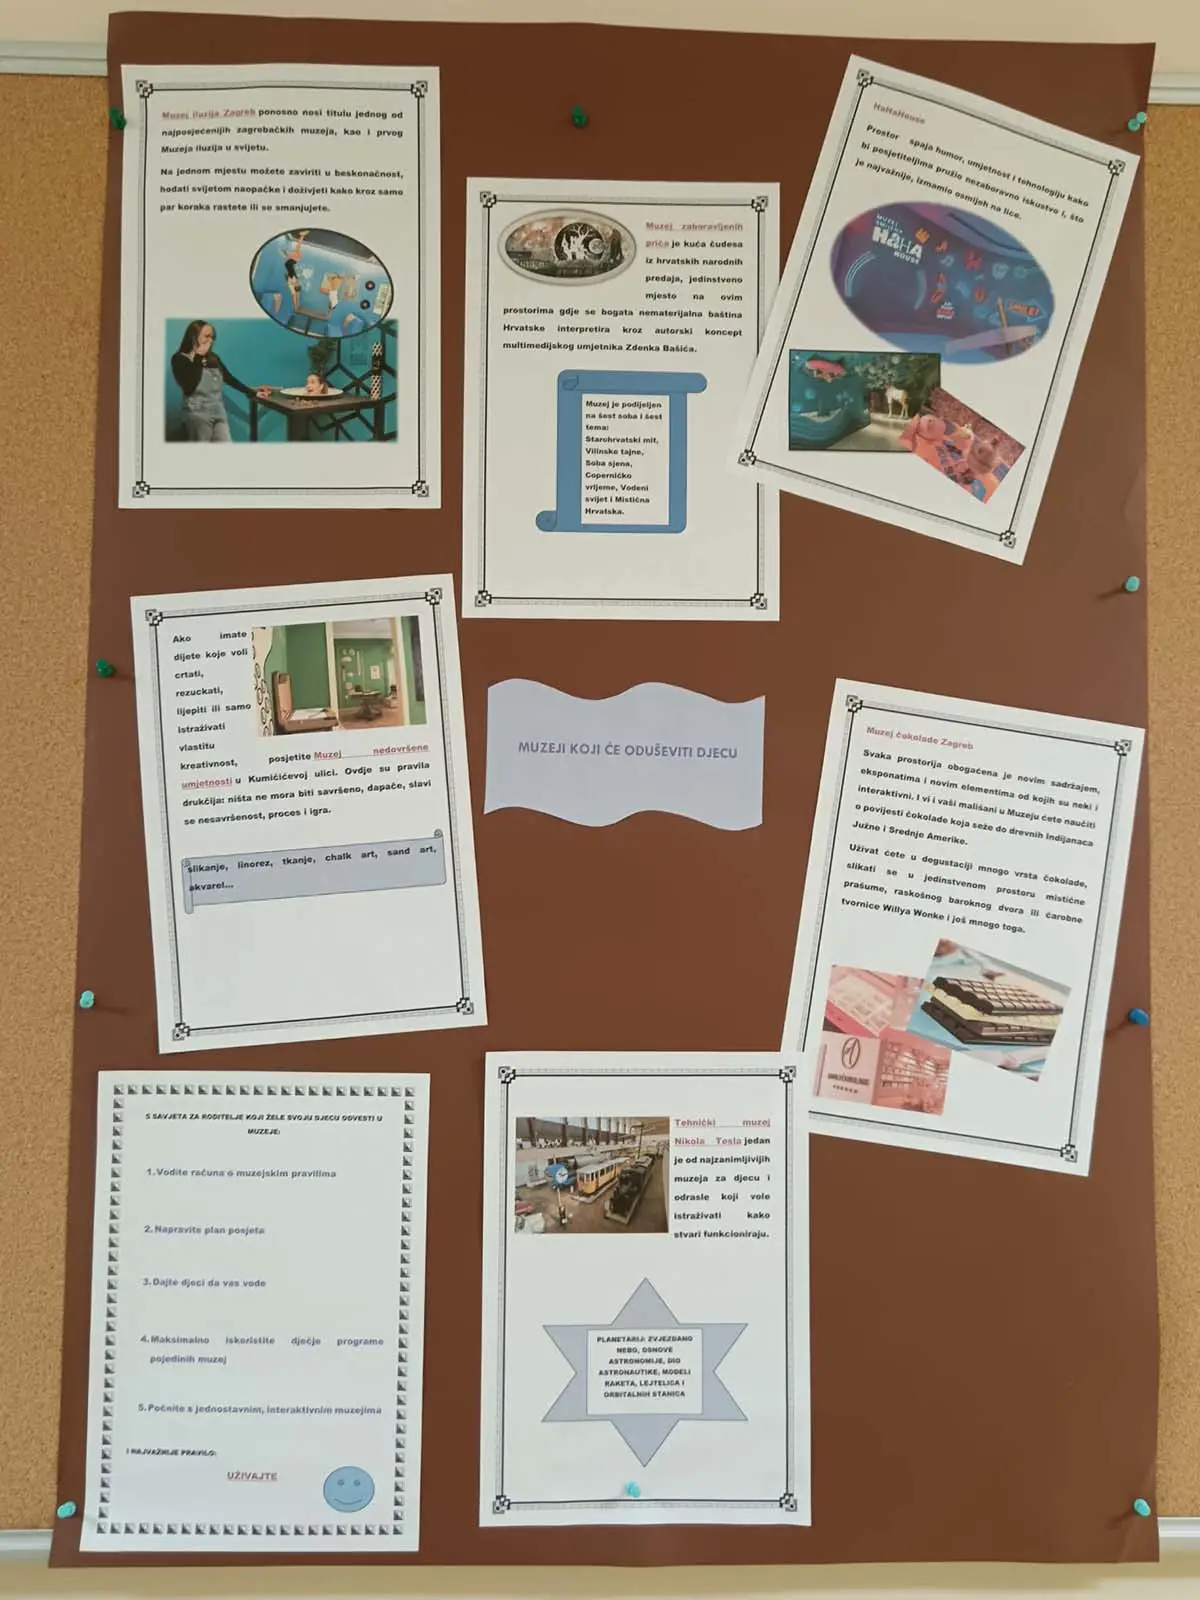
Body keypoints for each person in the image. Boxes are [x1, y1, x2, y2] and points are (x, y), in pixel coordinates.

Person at [171, 323, 270, 442]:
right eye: (207, 336)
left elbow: (229, 379)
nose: (210, 341)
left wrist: (253, 393)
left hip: (218, 410)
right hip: (196, 413)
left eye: (212, 337)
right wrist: (198, 357)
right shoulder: (179, 359)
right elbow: (189, 387)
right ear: (193, 337)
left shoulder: (213, 358)